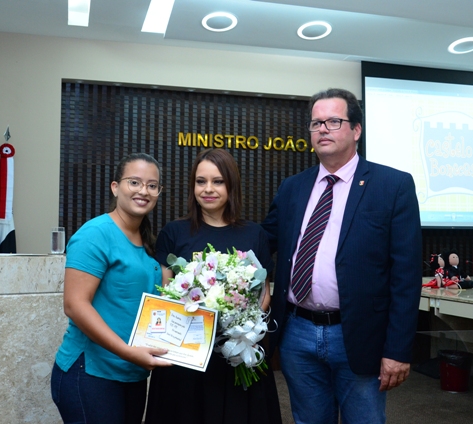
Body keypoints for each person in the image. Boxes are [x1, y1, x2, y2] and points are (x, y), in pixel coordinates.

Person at [262, 88, 422, 424]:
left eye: (333, 121)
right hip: (297, 332)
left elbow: (406, 277)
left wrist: (397, 350)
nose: (322, 129)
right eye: (316, 123)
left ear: (356, 130)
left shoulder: (392, 186)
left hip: (360, 335)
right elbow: (264, 242)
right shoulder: (293, 187)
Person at [145, 148, 282, 424]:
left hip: (236, 353)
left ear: (231, 185)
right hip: (187, 356)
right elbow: (165, 291)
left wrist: (237, 324)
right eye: (201, 181)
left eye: (217, 181)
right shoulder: (175, 232)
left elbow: (264, 293)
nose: (208, 189)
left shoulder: (254, 234)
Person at [50, 153, 172, 424]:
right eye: (134, 182)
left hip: (131, 374)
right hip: (90, 373)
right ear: (115, 187)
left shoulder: (148, 241)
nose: (144, 191)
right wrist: (129, 352)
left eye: (152, 185)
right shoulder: (95, 234)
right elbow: (75, 305)